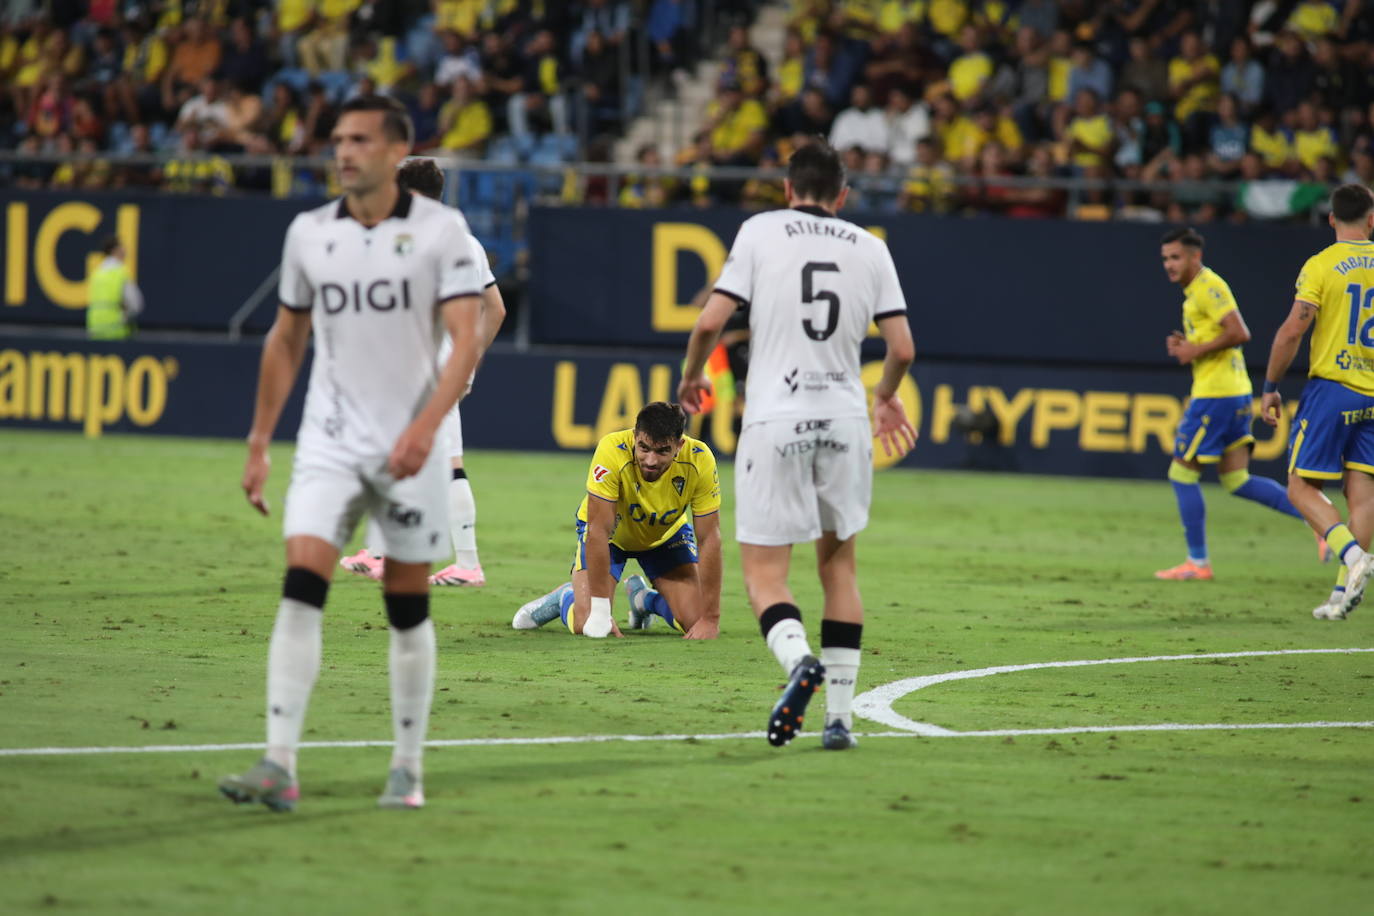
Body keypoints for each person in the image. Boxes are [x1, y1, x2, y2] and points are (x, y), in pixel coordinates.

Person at [219, 96, 486, 813]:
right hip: (330, 442)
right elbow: (285, 339)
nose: (343, 151)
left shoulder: (443, 233)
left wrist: (428, 426)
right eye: (338, 138)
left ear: (396, 148)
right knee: (302, 584)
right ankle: (278, 760)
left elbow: (466, 338)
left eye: (360, 139)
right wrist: (258, 442)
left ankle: (406, 766)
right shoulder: (309, 233)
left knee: (406, 605)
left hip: (409, 444)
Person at [678, 141, 917, 751]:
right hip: (843, 421)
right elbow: (903, 347)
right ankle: (840, 719)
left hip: (776, 419)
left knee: (765, 575)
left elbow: (710, 321)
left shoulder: (760, 231)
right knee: (839, 567)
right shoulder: (872, 248)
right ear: (842, 196)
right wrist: (886, 394)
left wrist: (692, 375)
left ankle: (797, 663)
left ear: (788, 190)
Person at [339, 156, 506, 587]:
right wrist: (471, 359)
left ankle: (467, 564)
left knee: (447, 464)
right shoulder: (465, 241)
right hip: (444, 366)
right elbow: (497, 309)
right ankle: (380, 553)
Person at [1155, 227, 1308, 581]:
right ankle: (1322, 521)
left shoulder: (1209, 287)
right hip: (1233, 391)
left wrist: (1194, 349)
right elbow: (1221, 337)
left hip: (1216, 395)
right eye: (1165, 258)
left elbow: (1240, 332)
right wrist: (1190, 343)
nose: (1169, 265)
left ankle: (1197, 562)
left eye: (1176, 257)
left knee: (1181, 473)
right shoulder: (1194, 292)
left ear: (1196, 256)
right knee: (1237, 479)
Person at [512, 402, 722, 640]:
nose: (651, 461)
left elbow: (709, 538)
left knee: (695, 620)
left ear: (679, 445)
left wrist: (710, 618)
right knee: (587, 622)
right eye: (643, 448)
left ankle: (643, 600)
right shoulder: (612, 450)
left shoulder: (700, 459)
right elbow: (599, 530)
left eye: (662, 451)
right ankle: (566, 598)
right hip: (613, 537)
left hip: (665, 536)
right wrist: (600, 612)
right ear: (634, 437)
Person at [1262, 184, 1374, 621]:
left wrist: (1271, 384)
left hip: (1334, 388)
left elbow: (1294, 330)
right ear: (1371, 219)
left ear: (1330, 219)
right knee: (1361, 492)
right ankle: (1343, 593)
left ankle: (1352, 557)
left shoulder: (1321, 266)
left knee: (1300, 486)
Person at [86, 235, 143, 339]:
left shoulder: (96, 273)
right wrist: (124, 316)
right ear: (115, 250)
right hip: (116, 332)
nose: (125, 250)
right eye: (122, 246)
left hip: (95, 331)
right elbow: (136, 304)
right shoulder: (120, 272)